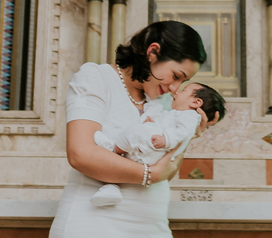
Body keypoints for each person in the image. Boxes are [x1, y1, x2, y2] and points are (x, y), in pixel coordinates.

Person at [33, 21, 217, 238]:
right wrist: (149, 174)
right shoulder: (97, 78)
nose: (175, 88)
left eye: (183, 83)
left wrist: (188, 132)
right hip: (95, 232)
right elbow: (82, 153)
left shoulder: (163, 105)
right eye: (175, 76)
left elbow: (166, 172)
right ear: (153, 52)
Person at [91, 82, 226, 208]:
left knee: (133, 133)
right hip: (152, 152)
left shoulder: (189, 116)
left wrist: (166, 140)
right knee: (125, 162)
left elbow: (182, 133)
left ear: (196, 102)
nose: (176, 92)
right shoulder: (178, 114)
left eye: (183, 90)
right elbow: (168, 126)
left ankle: (113, 148)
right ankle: (111, 189)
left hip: (155, 149)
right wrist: (153, 124)